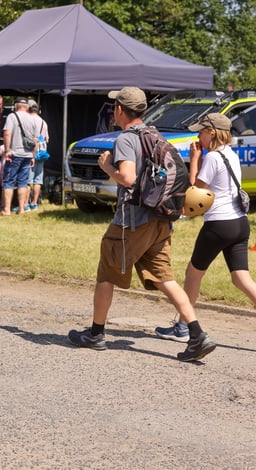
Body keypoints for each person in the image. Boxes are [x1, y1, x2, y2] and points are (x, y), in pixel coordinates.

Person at [68, 86, 216, 362]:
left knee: (106, 273)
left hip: (132, 220)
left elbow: (127, 178)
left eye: (115, 106)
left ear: (121, 110)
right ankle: (197, 335)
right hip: (161, 219)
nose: (114, 111)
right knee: (165, 278)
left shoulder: (127, 138)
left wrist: (107, 167)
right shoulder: (154, 134)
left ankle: (96, 334)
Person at [155, 113, 256, 342]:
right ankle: (183, 325)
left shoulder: (211, 158)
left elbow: (195, 195)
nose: (198, 135)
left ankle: (184, 326)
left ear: (212, 132)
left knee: (193, 273)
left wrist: (195, 161)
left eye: (201, 131)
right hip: (239, 223)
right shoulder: (231, 154)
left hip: (219, 225)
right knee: (241, 279)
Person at [0, 98, 37, 215]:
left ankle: (6, 209)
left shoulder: (12, 116)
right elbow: (35, 140)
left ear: (16, 106)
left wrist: (7, 150)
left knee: (9, 181)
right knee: (23, 182)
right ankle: (21, 209)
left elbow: (7, 133)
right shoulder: (32, 119)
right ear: (26, 107)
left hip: (14, 154)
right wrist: (33, 156)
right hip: (27, 155)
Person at [27, 100, 48, 211]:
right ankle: (34, 203)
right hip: (42, 153)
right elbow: (47, 139)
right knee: (38, 180)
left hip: (30, 152)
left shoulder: (29, 120)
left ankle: (26, 203)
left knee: (28, 180)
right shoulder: (43, 122)